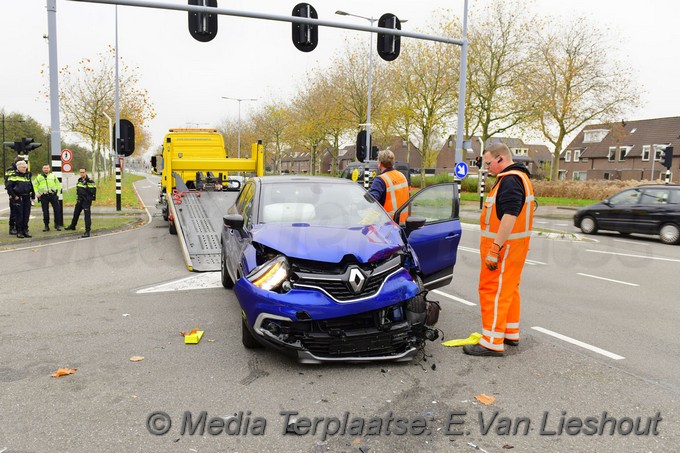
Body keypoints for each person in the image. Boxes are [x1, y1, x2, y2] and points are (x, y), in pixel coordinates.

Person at [463, 143, 535, 357]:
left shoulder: (510, 180)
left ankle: (492, 342)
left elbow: (510, 215)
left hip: (503, 249)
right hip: (515, 248)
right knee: (509, 289)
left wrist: (495, 248)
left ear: (501, 158)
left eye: (488, 163)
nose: (487, 168)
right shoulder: (521, 178)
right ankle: (510, 332)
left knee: (492, 291)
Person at [368, 150, 409, 222]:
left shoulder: (380, 180)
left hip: (388, 223)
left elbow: (371, 199)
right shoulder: (402, 176)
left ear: (379, 164)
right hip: (405, 221)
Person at [5, 160, 35, 238]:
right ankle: (19, 231)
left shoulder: (27, 175)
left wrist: (33, 195)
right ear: (18, 167)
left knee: (26, 214)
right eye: (23, 167)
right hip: (19, 197)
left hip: (27, 197)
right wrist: (14, 196)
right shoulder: (13, 175)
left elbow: (30, 185)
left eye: (25, 167)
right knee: (19, 215)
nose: (24, 168)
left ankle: (25, 230)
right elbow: (9, 187)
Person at [64, 168, 96, 238]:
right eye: (81, 172)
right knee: (76, 213)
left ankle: (87, 231)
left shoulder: (90, 181)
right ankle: (72, 226)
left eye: (83, 172)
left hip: (86, 201)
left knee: (87, 216)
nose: (82, 174)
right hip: (79, 200)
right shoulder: (79, 180)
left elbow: (93, 191)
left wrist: (86, 187)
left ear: (86, 172)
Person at [33, 164, 63, 232]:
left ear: (49, 169)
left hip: (53, 195)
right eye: (44, 168)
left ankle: (57, 225)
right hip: (44, 196)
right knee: (45, 211)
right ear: (42, 169)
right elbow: (35, 186)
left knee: (57, 210)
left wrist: (58, 194)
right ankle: (46, 226)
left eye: (47, 168)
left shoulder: (53, 176)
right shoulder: (39, 177)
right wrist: (37, 193)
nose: (46, 169)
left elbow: (58, 185)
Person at [4, 157, 20, 235]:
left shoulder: (21, 170)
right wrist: (11, 194)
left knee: (19, 212)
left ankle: (18, 227)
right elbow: (7, 183)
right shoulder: (10, 171)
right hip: (13, 193)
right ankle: (12, 228)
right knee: (13, 212)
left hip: (20, 194)